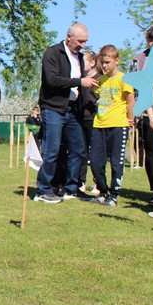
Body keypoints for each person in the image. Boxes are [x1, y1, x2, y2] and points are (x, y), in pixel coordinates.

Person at [33, 23, 98, 203]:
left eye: (85, 42)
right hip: (53, 108)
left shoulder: (80, 58)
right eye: (80, 41)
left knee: (79, 149)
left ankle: (71, 188)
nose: (83, 45)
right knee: (51, 150)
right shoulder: (52, 53)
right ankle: (43, 190)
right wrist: (79, 81)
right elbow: (52, 80)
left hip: (72, 110)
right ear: (69, 36)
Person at [88, 45, 135, 207]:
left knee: (116, 162)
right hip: (99, 124)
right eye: (102, 63)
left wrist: (130, 120)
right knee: (95, 161)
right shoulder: (100, 80)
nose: (105, 66)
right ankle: (103, 191)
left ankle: (113, 195)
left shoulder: (124, 79)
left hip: (118, 125)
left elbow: (130, 102)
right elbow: (92, 87)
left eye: (108, 62)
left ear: (117, 61)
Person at [130, 25, 153, 218]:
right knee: (151, 156)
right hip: (147, 115)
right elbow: (140, 88)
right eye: (150, 39)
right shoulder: (140, 58)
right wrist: (151, 118)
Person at [79, 50, 100, 196]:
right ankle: (81, 182)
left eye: (84, 60)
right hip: (80, 119)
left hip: (95, 120)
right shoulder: (80, 79)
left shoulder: (100, 79)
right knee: (81, 152)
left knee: (97, 153)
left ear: (92, 63)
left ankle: (98, 183)